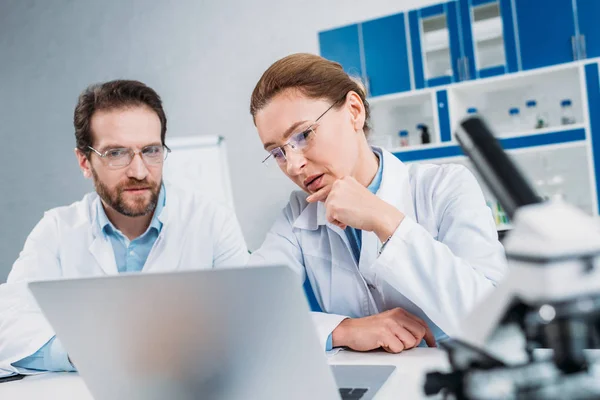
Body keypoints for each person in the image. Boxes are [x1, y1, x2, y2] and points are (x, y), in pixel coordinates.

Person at [248, 53, 507, 353]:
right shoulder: (299, 212)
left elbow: (496, 322)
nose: (293, 165)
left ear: (354, 112)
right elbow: (247, 315)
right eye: (278, 152)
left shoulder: (444, 187)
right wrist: (344, 330)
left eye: (304, 134)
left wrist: (385, 221)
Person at [0, 80, 248, 374]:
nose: (139, 171)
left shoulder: (212, 222)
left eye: (151, 151)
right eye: (116, 153)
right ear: (84, 162)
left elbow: (248, 327)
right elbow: (7, 322)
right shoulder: (57, 230)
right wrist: (82, 352)